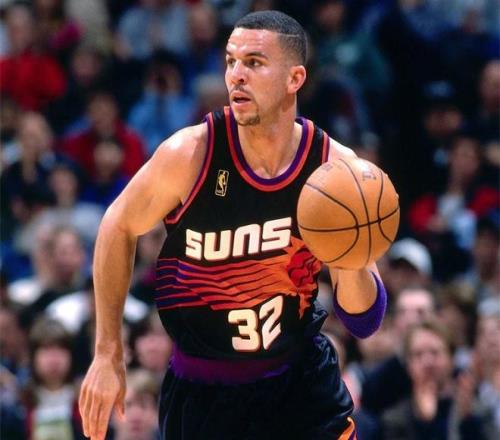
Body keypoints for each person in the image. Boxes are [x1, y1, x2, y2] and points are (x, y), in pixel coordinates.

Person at [79, 11, 388, 440]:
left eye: (254, 63)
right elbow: (117, 225)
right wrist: (107, 352)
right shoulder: (190, 154)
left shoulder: (333, 170)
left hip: (300, 386)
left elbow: (363, 322)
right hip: (204, 394)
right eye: (230, 61)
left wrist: (351, 257)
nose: (236, 75)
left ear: (295, 78)